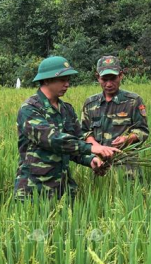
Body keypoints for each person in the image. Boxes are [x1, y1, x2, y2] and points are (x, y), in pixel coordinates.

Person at [14, 56, 120, 200]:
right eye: (62, 79)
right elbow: (52, 139)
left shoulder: (66, 109)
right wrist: (91, 148)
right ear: (46, 80)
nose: (67, 84)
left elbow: (74, 144)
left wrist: (90, 160)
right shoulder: (30, 109)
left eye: (68, 79)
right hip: (34, 190)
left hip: (63, 189)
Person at [81, 56, 149, 178]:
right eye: (104, 79)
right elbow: (84, 132)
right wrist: (97, 147)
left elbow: (143, 131)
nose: (108, 84)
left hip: (127, 167)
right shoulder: (90, 103)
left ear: (120, 75)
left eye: (113, 79)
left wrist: (127, 138)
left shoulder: (133, 101)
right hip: (99, 165)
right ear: (98, 77)